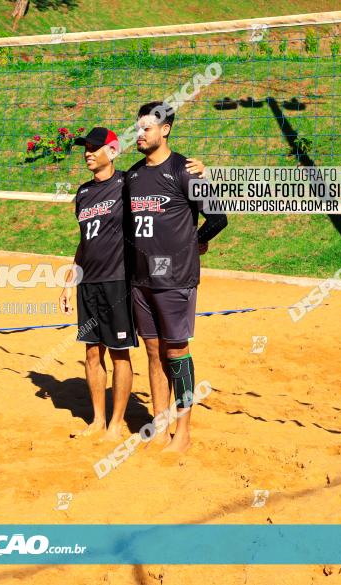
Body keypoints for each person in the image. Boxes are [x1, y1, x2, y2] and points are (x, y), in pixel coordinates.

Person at [59, 127, 204, 443]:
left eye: (95, 147)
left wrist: (199, 171)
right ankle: (98, 420)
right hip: (89, 284)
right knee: (92, 353)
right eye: (86, 147)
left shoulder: (128, 182)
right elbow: (84, 243)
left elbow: (167, 189)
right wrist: (69, 282)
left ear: (111, 151)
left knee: (121, 353)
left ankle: (116, 425)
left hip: (120, 282)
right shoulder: (82, 194)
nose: (88, 152)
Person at [126, 101, 227, 453]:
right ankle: (160, 422)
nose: (140, 134)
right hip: (140, 279)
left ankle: (183, 431)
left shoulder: (185, 170)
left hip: (175, 278)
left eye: (147, 128)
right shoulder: (134, 175)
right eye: (137, 128)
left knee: (176, 351)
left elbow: (217, 218)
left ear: (165, 129)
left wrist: (195, 242)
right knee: (153, 351)